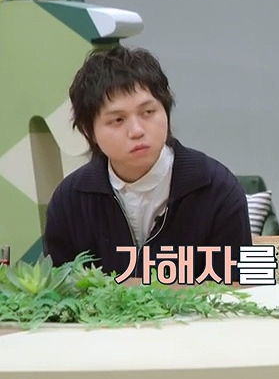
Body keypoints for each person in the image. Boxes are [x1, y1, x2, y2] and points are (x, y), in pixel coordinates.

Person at [43, 45, 252, 284]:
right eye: (118, 120)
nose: (137, 131)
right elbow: (60, 290)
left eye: (148, 112)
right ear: (89, 131)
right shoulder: (70, 200)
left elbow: (239, 289)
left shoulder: (216, 188)